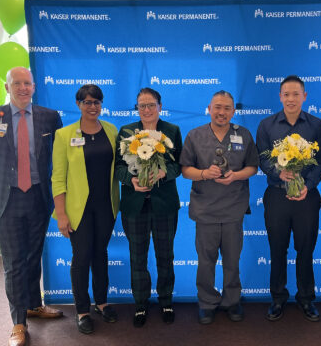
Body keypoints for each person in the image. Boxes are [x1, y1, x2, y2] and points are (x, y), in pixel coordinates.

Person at [0, 67, 63, 346]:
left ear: (34, 87)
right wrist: (6, 181)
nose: (23, 88)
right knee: (13, 263)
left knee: (33, 256)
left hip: (38, 197)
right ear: (7, 87)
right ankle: (18, 323)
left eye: (27, 83)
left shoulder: (50, 118)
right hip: (7, 199)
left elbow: (57, 158)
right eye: (17, 83)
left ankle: (34, 305)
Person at [180, 90, 258, 324]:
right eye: (217, 107)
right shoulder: (195, 135)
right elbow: (185, 170)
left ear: (233, 111)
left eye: (227, 108)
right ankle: (207, 302)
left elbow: (252, 167)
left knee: (232, 260)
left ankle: (232, 301)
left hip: (234, 209)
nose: (222, 112)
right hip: (206, 210)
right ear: (209, 108)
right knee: (206, 261)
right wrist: (204, 173)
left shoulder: (243, 134)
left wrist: (235, 176)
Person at [256, 76, 321, 322]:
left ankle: (306, 299)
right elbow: (263, 159)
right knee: (277, 249)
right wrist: (279, 171)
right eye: (286, 94)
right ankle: (278, 298)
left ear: (304, 96)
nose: (291, 99)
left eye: (296, 94)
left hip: (307, 198)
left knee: (305, 249)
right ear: (280, 96)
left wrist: (307, 185)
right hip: (276, 196)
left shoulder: (317, 125)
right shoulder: (266, 125)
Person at [51, 84, 120, 335]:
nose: (93, 106)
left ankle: (101, 302)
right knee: (81, 258)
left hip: (106, 206)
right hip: (78, 209)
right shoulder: (64, 135)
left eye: (97, 102)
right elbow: (58, 178)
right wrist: (61, 214)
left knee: (100, 254)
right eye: (87, 102)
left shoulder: (112, 131)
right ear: (78, 104)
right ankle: (82, 310)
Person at [115, 88, 182, 327]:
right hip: (135, 206)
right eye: (141, 106)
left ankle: (166, 301)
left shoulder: (171, 131)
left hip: (164, 205)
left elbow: (179, 165)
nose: (146, 110)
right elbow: (118, 167)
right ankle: (141, 305)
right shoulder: (126, 132)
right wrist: (130, 180)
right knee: (137, 257)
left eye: (151, 105)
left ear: (160, 106)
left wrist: (164, 173)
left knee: (166, 256)